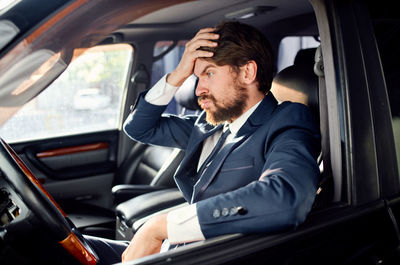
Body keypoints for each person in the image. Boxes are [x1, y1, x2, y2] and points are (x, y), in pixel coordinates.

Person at [87, 21, 321, 264]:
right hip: (173, 248)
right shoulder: (208, 123)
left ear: (247, 73)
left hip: (207, 255)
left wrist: (161, 226)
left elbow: (284, 199)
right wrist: (178, 74)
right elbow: (138, 128)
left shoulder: (287, 121)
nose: (198, 89)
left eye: (209, 73)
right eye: (196, 77)